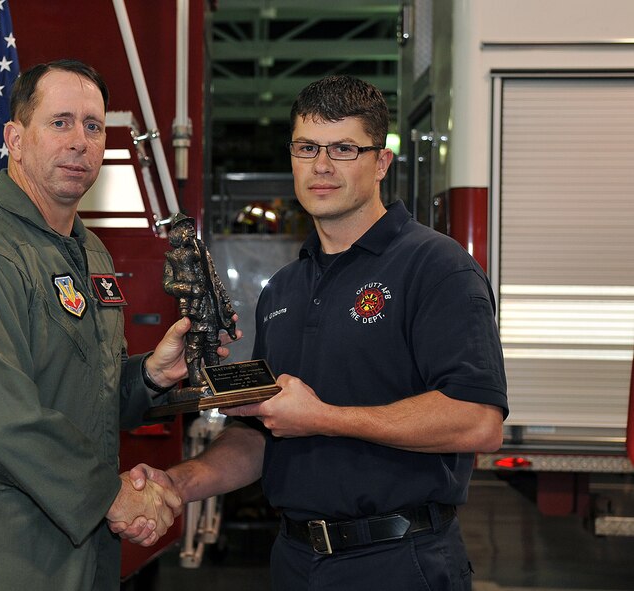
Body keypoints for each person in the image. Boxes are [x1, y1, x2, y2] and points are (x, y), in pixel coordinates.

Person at [117, 75, 509, 590]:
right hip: (296, 562)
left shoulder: (436, 267)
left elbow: (478, 421)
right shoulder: (285, 289)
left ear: (381, 163)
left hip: (399, 562)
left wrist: (323, 417)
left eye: (344, 148)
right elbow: (264, 435)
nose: (321, 165)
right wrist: (177, 484)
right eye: (307, 147)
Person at [0, 60, 194, 590]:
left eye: (93, 126)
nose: (80, 142)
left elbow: (78, 393)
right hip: (2, 550)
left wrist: (150, 377)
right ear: (15, 139)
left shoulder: (89, 253)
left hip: (80, 549)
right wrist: (112, 496)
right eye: (60, 122)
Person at [162, 213, 237, 396]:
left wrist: (225, 301)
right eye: (185, 226)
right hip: (192, 305)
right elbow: (167, 285)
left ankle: (214, 376)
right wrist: (188, 288)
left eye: (190, 226)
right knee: (195, 343)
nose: (190, 229)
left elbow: (214, 277)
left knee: (212, 342)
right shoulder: (172, 257)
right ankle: (195, 377)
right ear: (178, 232)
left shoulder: (202, 250)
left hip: (209, 304)